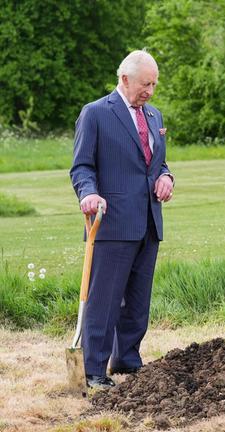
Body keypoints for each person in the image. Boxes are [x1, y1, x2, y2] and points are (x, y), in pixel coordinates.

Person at [70, 50, 174, 389]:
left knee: (138, 303)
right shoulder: (96, 113)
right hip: (111, 223)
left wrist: (166, 177)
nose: (150, 91)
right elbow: (82, 166)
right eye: (145, 84)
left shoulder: (154, 115)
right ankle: (93, 370)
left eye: (154, 84)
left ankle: (127, 361)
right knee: (104, 301)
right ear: (125, 79)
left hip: (149, 222)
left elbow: (157, 163)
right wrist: (88, 194)